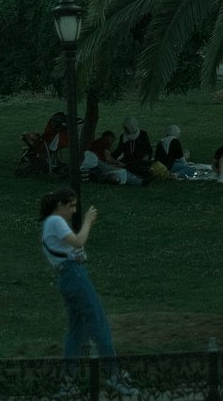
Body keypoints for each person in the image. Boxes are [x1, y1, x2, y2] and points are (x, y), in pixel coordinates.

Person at [39, 186, 137, 398]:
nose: (74, 210)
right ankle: (114, 375)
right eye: (71, 206)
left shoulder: (50, 224)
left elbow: (74, 249)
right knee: (99, 324)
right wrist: (88, 220)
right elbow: (79, 241)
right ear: (60, 205)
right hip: (75, 277)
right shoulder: (55, 221)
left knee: (77, 332)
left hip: (68, 278)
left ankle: (67, 382)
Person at [114, 118, 152, 183]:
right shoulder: (123, 137)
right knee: (129, 166)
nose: (125, 130)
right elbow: (118, 150)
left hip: (141, 159)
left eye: (126, 128)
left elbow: (148, 148)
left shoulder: (143, 134)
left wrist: (147, 156)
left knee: (138, 166)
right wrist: (110, 157)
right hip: (128, 160)